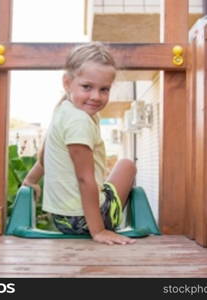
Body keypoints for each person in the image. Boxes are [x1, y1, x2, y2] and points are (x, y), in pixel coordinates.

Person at [23, 42, 136, 245]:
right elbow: (85, 179)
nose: (96, 96)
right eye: (87, 87)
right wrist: (99, 231)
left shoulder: (63, 110)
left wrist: (30, 181)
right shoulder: (80, 121)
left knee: (107, 176)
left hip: (61, 219)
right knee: (127, 165)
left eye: (104, 89)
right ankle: (104, 223)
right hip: (84, 220)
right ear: (67, 83)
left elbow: (46, 156)